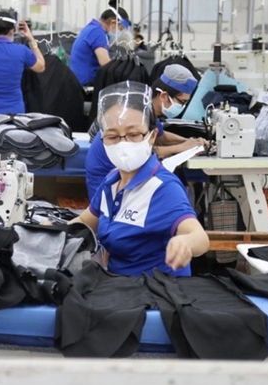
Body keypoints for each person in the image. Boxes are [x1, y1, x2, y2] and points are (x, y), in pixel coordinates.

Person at [71, 82, 209, 277]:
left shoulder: (162, 188)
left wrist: (184, 243)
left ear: (152, 136)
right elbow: (84, 223)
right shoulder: (111, 181)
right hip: (119, 288)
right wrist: (47, 233)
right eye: (112, 136)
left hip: (155, 296)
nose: (122, 143)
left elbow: (200, 238)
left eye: (134, 134)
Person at [85, 64, 207, 200]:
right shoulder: (135, 114)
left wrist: (192, 141)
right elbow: (143, 152)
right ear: (164, 95)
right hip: (107, 181)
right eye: (181, 102)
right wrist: (182, 147)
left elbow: (162, 137)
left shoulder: (147, 109)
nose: (182, 107)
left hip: (126, 175)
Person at [70, 7, 131, 86]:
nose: (119, 32)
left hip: (78, 81)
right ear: (113, 23)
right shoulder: (98, 32)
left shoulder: (91, 28)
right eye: (120, 28)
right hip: (86, 84)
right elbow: (105, 62)